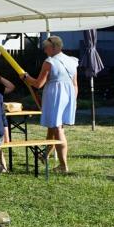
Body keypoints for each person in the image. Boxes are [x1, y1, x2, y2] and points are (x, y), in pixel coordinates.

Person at [23, 36, 77, 173]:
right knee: (53, 127)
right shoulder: (71, 61)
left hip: (55, 96)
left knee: (58, 129)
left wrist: (26, 77)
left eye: (46, 47)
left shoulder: (49, 62)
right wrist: (72, 99)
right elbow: (75, 85)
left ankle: (63, 166)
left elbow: (38, 84)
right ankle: (45, 155)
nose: (45, 50)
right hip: (68, 95)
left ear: (54, 47)